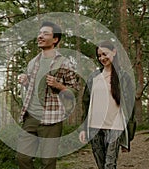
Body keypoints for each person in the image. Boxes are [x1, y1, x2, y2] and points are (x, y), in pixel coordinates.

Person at [17, 21, 79, 169]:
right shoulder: (33, 62)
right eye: (39, 33)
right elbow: (33, 88)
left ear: (55, 39)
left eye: (45, 33)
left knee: (48, 163)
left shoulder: (64, 63)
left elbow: (75, 91)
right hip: (31, 117)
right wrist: (25, 81)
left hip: (52, 119)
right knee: (22, 157)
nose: (40, 36)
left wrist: (59, 86)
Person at [79, 40, 135, 169]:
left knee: (110, 164)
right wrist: (83, 128)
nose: (102, 58)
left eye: (105, 54)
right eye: (99, 55)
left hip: (115, 127)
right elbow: (86, 104)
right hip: (94, 127)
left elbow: (130, 107)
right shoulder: (93, 77)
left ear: (114, 52)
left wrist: (128, 137)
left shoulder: (123, 77)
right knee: (101, 165)